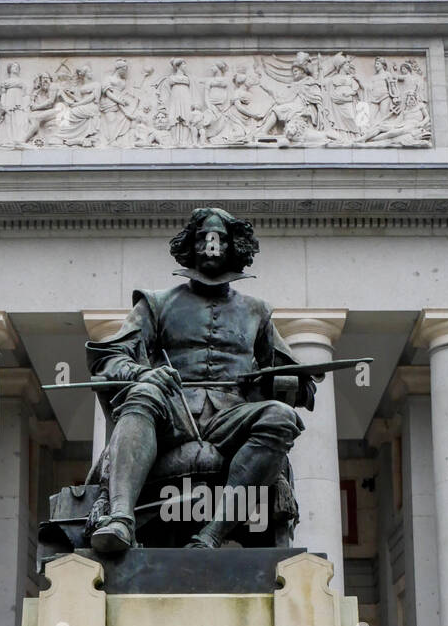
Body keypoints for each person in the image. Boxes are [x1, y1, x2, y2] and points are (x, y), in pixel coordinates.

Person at [85, 207, 316, 553]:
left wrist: (290, 380)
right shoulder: (156, 303)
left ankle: (211, 533)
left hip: (231, 417)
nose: (211, 246)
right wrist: (143, 373)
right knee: (144, 392)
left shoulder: (257, 311)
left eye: (220, 239)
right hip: (172, 410)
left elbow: (298, 382)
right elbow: (108, 358)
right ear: (190, 246)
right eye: (204, 239)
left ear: (233, 247)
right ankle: (120, 520)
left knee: (281, 418)